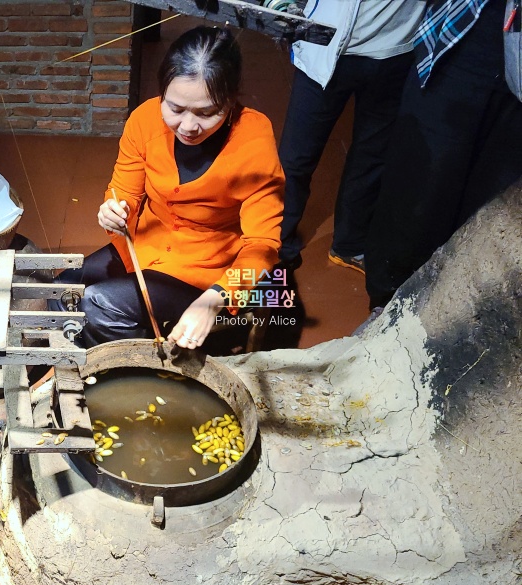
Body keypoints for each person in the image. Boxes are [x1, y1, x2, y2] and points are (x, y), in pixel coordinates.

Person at [78, 26, 284, 350]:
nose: (188, 126)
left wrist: (216, 299)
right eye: (174, 109)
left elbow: (264, 245)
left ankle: (129, 370)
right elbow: (123, 193)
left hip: (208, 272)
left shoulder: (253, 140)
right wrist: (114, 211)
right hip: (145, 247)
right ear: (162, 92)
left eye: (207, 112)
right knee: (59, 291)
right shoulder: (144, 120)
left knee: (99, 304)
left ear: (230, 101)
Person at [365, 0, 522, 310]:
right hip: (467, 34)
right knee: (418, 185)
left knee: (493, 206)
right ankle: (386, 306)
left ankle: (457, 312)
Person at [277, 0, 425, 273]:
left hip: (394, 49)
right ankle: (276, 242)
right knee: (295, 158)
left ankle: (349, 244)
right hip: (322, 43)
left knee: (372, 156)